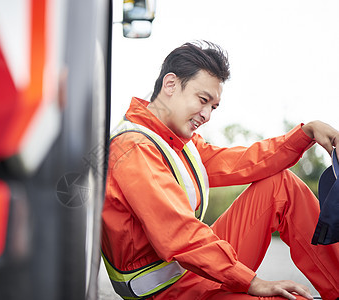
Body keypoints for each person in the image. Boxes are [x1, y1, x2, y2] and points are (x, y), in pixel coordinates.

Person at [101, 41, 339, 300]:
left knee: (280, 186)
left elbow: (244, 162)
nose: (207, 115)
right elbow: (179, 235)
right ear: (170, 84)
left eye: (213, 107)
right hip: (169, 291)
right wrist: (252, 282)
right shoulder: (134, 148)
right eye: (203, 100)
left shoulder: (177, 142)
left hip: (191, 273)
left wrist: (306, 134)